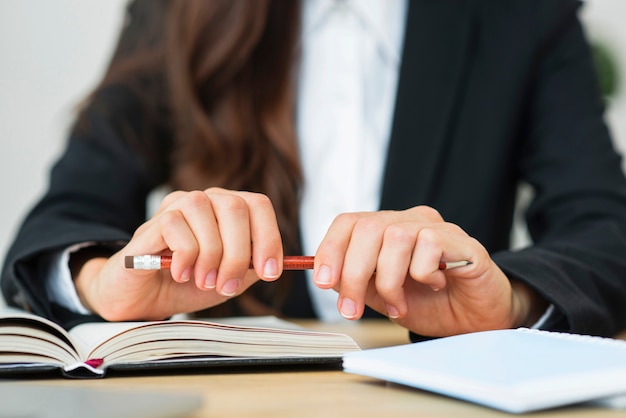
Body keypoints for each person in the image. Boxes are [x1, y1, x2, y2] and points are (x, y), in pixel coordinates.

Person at [3, 0, 626, 341]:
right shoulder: (174, 11)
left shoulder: (526, 16)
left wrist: (510, 304)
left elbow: (606, 229)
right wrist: (102, 283)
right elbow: (61, 220)